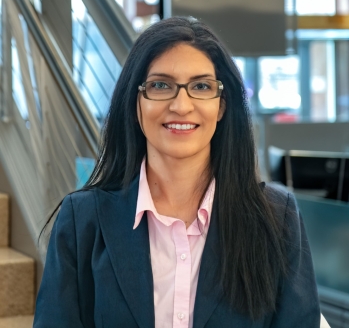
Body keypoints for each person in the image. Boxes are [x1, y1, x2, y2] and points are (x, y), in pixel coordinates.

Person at [33, 17, 320, 328]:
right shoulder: (82, 220)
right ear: (135, 102)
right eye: (160, 85)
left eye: (200, 86)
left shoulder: (277, 219)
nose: (181, 105)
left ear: (221, 106)